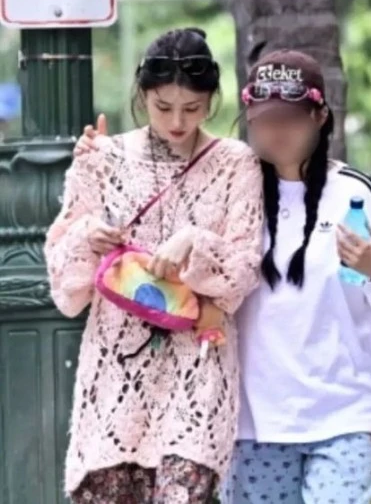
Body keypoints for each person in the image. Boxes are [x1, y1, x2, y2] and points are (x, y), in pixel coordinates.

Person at [76, 48, 371, 504]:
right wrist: (102, 161)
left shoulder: (352, 192)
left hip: (346, 418)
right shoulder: (230, 186)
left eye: (291, 118)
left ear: (320, 117)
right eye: (264, 119)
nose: (277, 131)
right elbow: (152, 244)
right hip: (252, 425)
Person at [45, 28, 263, 503]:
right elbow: (65, 286)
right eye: (164, 107)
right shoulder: (102, 158)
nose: (178, 122)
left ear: (212, 100)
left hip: (197, 375)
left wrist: (194, 242)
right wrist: (89, 236)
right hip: (114, 376)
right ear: (142, 96)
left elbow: (244, 269)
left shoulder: (235, 163)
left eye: (192, 108)